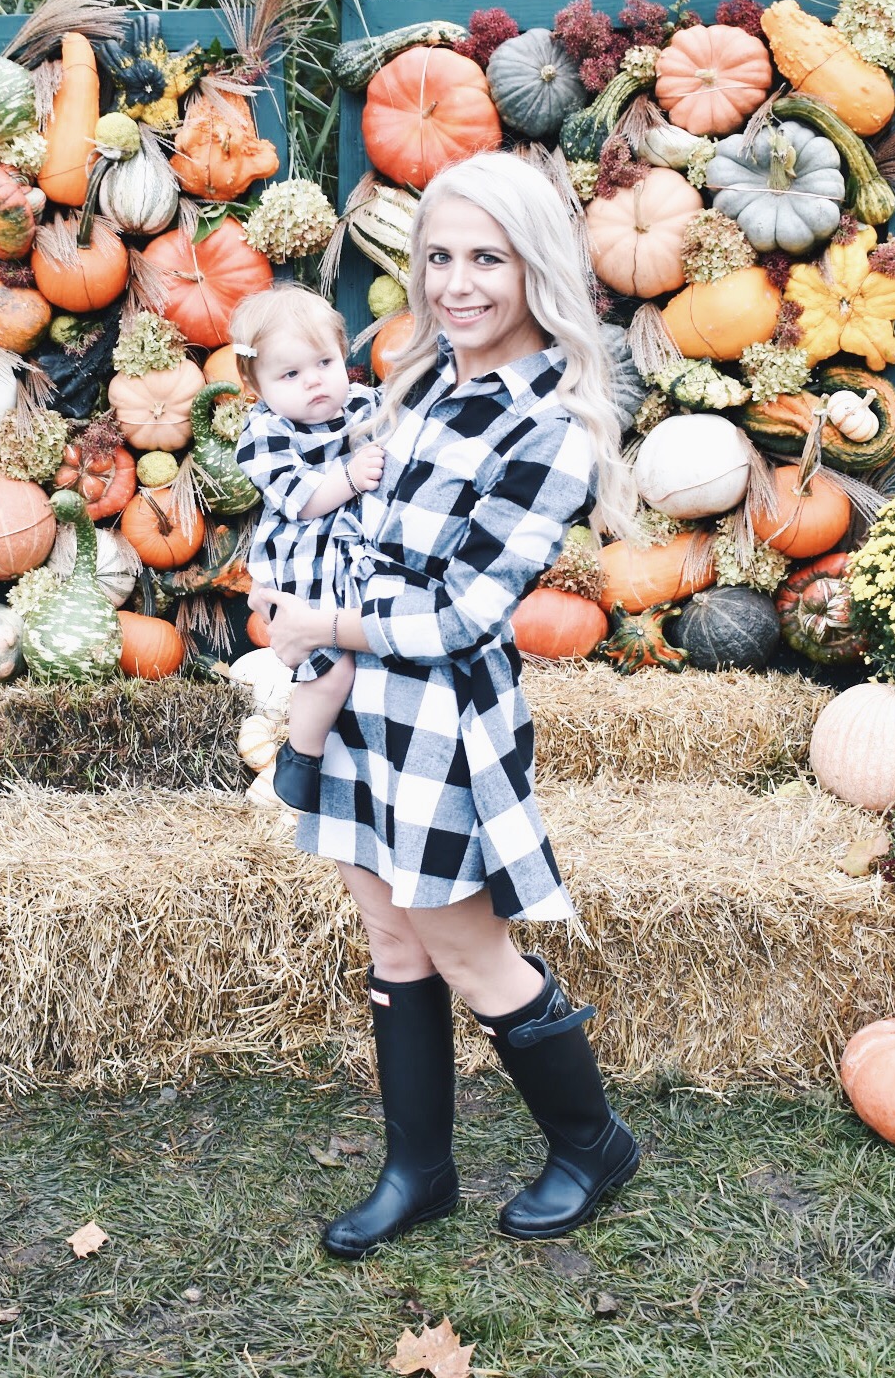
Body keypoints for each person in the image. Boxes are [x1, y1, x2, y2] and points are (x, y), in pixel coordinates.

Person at [248, 151, 644, 1259]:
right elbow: (352, 529)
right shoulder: (423, 384)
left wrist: (319, 626)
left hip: (439, 717)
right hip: (362, 699)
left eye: (485, 257)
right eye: (436, 257)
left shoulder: (548, 426)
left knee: (467, 950)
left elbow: (466, 613)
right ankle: (417, 1169)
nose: (456, 282)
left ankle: (590, 1140)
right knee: (388, 934)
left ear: (535, 268)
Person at [230, 285, 385, 812]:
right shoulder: (265, 433)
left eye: (324, 361)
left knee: (376, 660)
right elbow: (305, 501)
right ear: (256, 384)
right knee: (332, 667)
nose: (314, 380)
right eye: (290, 374)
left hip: (358, 561)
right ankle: (301, 758)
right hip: (305, 568)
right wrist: (351, 476)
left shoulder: (366, 405)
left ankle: (363, 765)